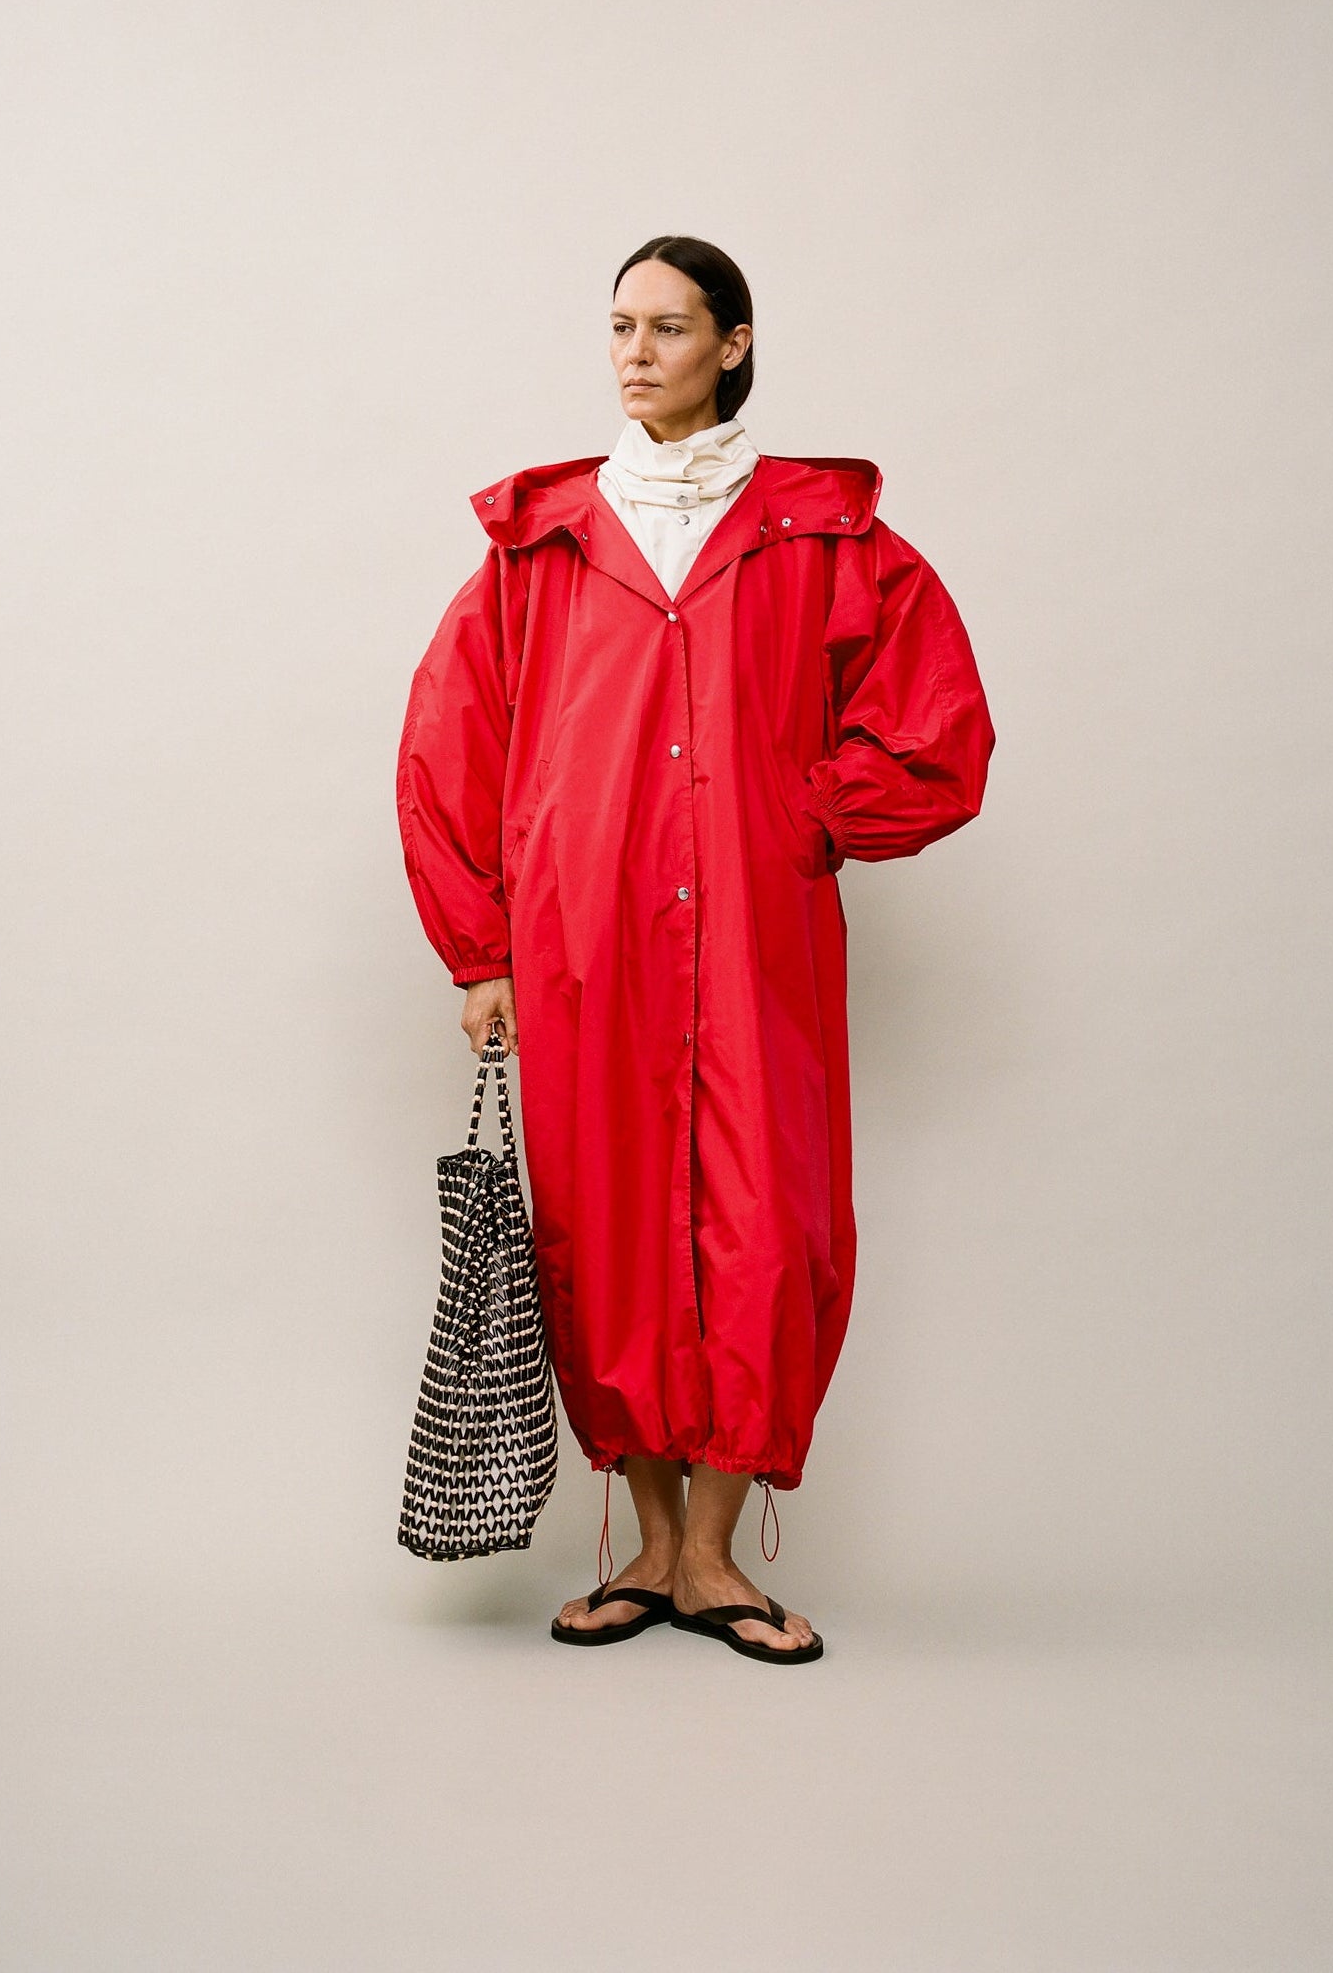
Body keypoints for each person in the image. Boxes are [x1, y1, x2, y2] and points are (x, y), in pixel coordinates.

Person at [396, 235, 995, 1663]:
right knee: (599, 1224)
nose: (635, 351)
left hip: (755, 936)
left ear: (732, 344)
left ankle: (716, 1557)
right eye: (618, 326)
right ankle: (651, 1551)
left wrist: (806, 812)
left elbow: (933, 729)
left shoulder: (822, 538)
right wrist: (479, 946)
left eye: (669, 327)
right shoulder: (540, 544)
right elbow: (448, 746)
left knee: (763, 1226)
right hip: (579, 939)